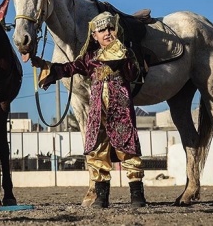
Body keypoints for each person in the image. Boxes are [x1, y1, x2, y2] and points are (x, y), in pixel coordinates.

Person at [31, 11, 147, 208]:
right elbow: (68, 68)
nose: (107, 32)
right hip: (97, 114)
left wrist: (124, 57)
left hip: (121, 114)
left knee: (128, 149)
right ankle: (101, 196)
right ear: (94, 35)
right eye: (102, 30)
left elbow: (134, 73)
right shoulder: (90, 58)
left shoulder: (126, 53)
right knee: (97, 150)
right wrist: (48, 68)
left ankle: (137, 195)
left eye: (111, 28)